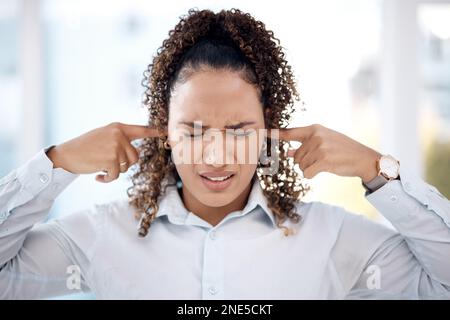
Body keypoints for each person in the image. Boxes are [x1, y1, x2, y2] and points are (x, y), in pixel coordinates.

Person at [1, 8, 449, 300]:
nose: (215, 156)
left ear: (270, 128)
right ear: (164, 132)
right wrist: (56, 163)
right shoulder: (102, 234)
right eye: (193, 132)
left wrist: (378, 170)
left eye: (238, 130)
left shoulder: (331, 238)